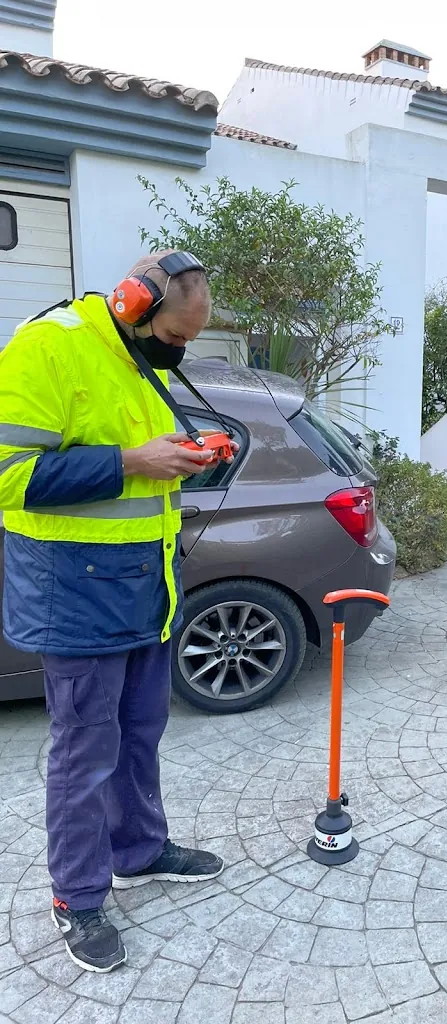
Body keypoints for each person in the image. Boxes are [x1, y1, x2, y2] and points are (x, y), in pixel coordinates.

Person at [0, 251, 232, 973]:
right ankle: (76, 895)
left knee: (140, 733)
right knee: (85, 752)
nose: (180, 351)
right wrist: (130, 462)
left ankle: (139, 850)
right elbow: (8, 477)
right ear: (134, 306)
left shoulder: (137, 360)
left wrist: (186, 459)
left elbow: (142, 465)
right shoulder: (49, 348)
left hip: (145, 590)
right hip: (76, 596)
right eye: (176, 335)